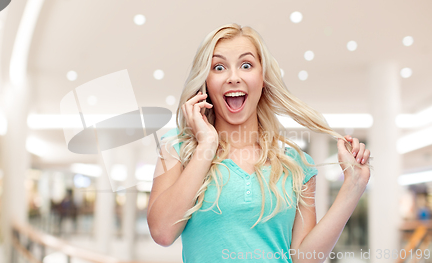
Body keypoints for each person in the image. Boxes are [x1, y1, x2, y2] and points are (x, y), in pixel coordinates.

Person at [147, 23, 371, 262]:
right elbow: (162, 232)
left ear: (262, 78)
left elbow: (304, 259)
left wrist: (353, 186)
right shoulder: (176, 149)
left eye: (246, 65)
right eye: (219, 67)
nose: (234, 77)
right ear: (206, 83)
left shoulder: (296, 164)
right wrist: (206, 146)